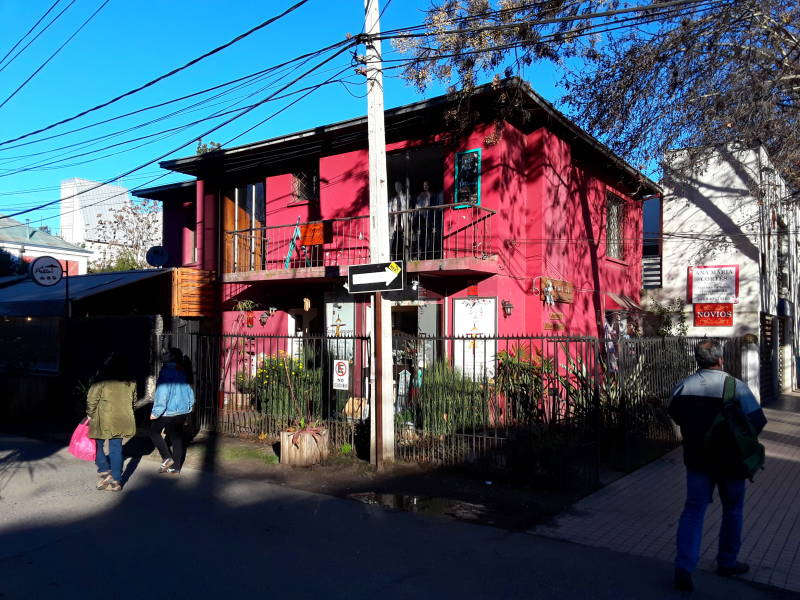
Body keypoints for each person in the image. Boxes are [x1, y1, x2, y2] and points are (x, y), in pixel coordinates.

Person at [667, 339, 767, 592]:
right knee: (732, 510)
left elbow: (675, 414)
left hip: (697, 462)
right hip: (731, 464)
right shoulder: (735, 387)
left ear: (697, 360)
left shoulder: (683, 386)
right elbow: (758, 421)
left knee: (693, 511)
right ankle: (727, 562)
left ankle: (684, 567)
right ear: (720, 359)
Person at [86, 358, 137, 492]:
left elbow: (92, 399)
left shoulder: (101, 380)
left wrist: (89, 414)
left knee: (97, 444)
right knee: (116, 448)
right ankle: (116, 481)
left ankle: (104, 470)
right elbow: (134, 401)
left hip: (104, 418)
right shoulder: (130, 382)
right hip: (123, 419)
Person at [150, 347, 195, 475]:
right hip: (182, 411)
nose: (163, 355)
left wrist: (156, 412)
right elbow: (189, 390)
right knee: (176, 438)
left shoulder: (166, 372)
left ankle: (167, 457)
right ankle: (175, 467)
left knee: (154, 432)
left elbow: (162, 393)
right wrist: (190, 405)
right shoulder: (182, 371)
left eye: (166, 354)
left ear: (170, 357)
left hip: (168, 411)